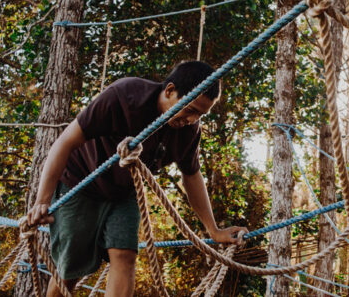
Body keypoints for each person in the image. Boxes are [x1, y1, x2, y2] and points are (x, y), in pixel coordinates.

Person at [26, 61, 246, 296]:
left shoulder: (189, 131)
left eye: (201, 115)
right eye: (190, 109)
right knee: (70, 273)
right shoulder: (124, 96)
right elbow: (65, 142)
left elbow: (191, 176)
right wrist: (43, 200)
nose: (192, 119)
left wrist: (212, 230)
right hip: (81, 184)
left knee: (125, 255)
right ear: (170, 90)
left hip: (123, 194)